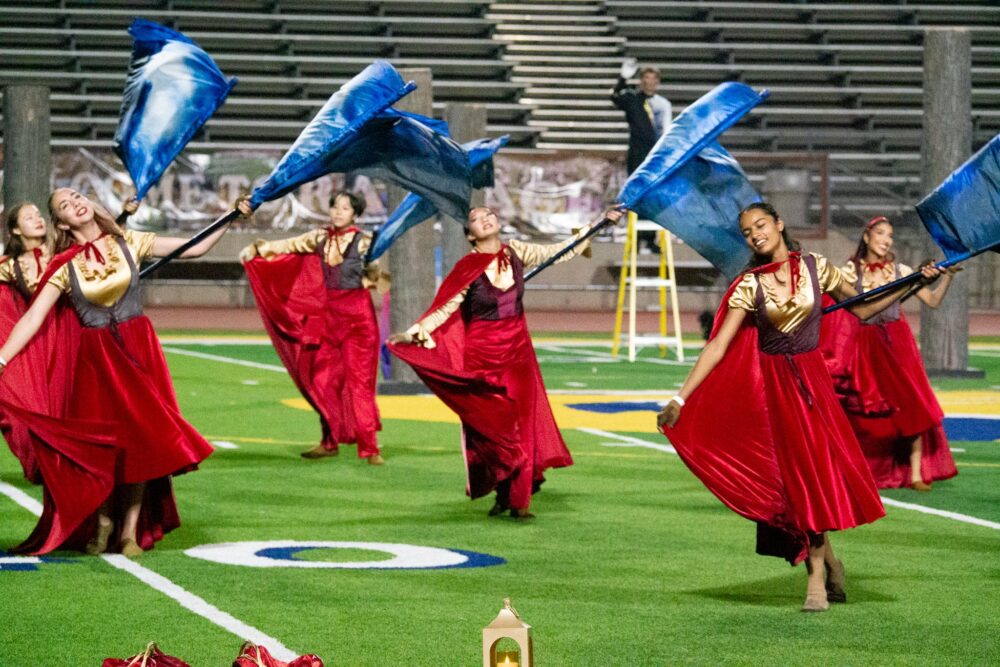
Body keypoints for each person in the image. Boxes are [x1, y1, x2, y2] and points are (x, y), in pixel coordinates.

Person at [656, 202, 945, 612]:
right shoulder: (749, 286)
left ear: (779, 224)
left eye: (760, 225)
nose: (754, 233)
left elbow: (864, 307)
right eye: (746, 231)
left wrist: (913, 282)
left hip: (814, 388)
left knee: (815, 480)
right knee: (797, 486)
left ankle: (824, 572)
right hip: (774, 394)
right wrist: (680, 398)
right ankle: (823, 573)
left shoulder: (816, 267)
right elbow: (718, 345)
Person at [0, 188, 238, 557]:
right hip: (94, 360)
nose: (76, 202)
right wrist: (1, 360)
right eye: (65, 205)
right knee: (102, 446)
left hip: (138, 350)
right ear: (61, 223)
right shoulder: (63, 263)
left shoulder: (128, 240)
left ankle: (129, 531)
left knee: (140, 440)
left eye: (77, 195)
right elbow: (32, 319)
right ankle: (103, 519)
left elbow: (193, 247)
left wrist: (232, 216)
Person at [388, 206, 624, 519]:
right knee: (490, 424)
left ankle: (518, 500)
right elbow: (445, 308)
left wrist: (598, 224)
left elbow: (560, 251)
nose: (485, 219)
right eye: (475, 218)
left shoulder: (517, 251)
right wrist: (413, 332)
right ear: (471, 235)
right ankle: (502, 485)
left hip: (518, 351)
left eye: (489, 214)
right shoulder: (467, 266)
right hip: (483, 352)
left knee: (523, 421)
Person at [239, 192, 388, 465]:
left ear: (355, 214)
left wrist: (373, 270)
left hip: (358, 322)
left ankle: (370, 448)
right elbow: (287, 245)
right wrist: (257, 250)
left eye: (345, 207)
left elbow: (377, 279)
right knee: (323, 381)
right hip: (326, 319)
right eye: (335, 206)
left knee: (359, 383)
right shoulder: (318, 237)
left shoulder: (366, 242)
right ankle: (328, 442)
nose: (338, 212)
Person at [820, 216, 958, 491]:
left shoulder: (900, 270)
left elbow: (932, 301)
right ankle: (855, 469)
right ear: (867, 237)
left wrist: (946, 278)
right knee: (861, 409)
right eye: (881, 233)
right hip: (864, 347)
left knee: (912, 404)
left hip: (898, 345)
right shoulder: (850, 270)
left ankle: (917, 474)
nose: (886, 240)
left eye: (890, 235)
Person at [0, 202, 57, 481]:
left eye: (38, 214)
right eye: (28, 217)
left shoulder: (64, 252)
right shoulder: (9, 267)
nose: (37, 219)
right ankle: (42, 463)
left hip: (68, 338)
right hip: (37, 343)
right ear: (14, 229)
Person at [611, 59, 671, 253]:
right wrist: (622, 79)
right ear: (640, 80)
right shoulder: (633, 100)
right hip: (637, 153)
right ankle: (636, 237)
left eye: (653, 79)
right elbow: (614, 97)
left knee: (653, 197)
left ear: (658, 82)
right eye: (645, 78)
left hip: (656, 156)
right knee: (635, 196)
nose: (649, 82)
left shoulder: (663, 104)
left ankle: (651, 238)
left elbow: (667, 131)